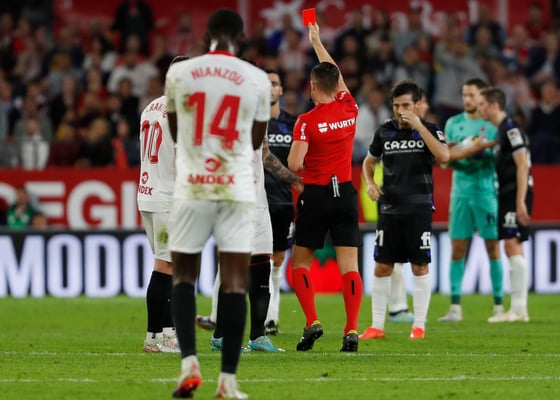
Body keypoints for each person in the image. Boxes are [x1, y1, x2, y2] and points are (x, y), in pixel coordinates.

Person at [165, 9, 270, 400]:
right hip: (235, 188)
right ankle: (227, 382)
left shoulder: (179, 74)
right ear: (240, 38)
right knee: (236, 282)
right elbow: (256, 141)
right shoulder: (257, 79)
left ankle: (189, 365)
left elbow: (177, 131)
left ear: (205, 36)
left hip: (192, 186)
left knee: (183, 277)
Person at [287, 22, 363, 353]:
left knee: (300, 263)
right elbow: (337, 76)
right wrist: (317, 42)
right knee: (350, 267)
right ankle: (352, 329)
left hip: (316, 195)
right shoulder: (350, 107)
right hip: (345, 193)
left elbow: (294, 163)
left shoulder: (306, 121)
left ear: (313, 86)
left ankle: (312, 321)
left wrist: (305, 155)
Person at [360, 80, 449, 341]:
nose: (401, 111)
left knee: (419, 266)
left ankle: (419, 326)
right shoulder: (384, 132)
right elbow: (368, 161)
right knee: (382, 266)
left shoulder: (431, 130)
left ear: (418, 105)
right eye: (397, 105)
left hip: (418, 210)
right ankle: (377, 326)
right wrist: (370, 183)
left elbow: (444, 156)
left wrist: (419, 125)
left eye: (406, 105)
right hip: (389, 210)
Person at [438, 78, 504, 323]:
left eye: (472, 95)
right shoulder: (453, 123)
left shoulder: (492, 124)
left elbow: (500, 157)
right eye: (464, 95)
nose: (467, 99)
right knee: (457, 249)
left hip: (486, 193)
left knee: (493, 248)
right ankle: (455, 307)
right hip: (460, 194)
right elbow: (444, 161)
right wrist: (464, 152)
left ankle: (499, 306)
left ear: (482, 97)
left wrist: (480, 153)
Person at [137, 56, 188, 354]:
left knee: (166, 264)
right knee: (168, 266)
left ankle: (159, 336)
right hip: (169, 197)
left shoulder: (151, 107)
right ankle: (163, 336)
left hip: (148, 193)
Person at [478, 86, 533, 323]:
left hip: (514, 192)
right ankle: (519, 309)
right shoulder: (501, 132)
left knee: (512, 243)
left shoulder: (511, 128)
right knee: (512, 246)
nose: (479, 108)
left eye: (482, 104)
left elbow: (523, 164)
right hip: (507, 193)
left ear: (493, 105)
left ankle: (519, 310)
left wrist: (520, 201)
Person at [263, 69, 301, 335]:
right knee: (256, 260)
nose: (269, 88)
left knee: (277, 259)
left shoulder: (294, 124)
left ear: (281, 90)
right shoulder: (251, 121)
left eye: (274, 83)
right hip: (256, 200)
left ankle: (272, 317)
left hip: (283, 203)